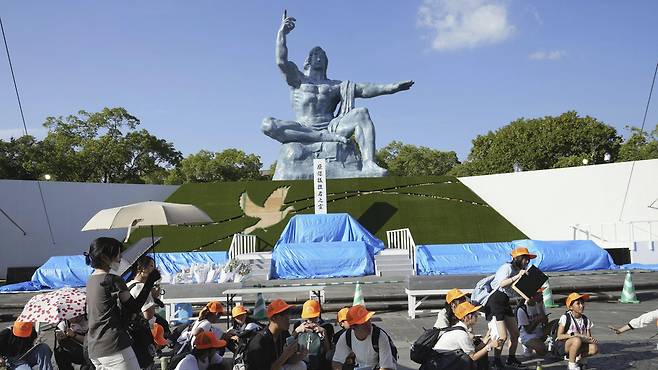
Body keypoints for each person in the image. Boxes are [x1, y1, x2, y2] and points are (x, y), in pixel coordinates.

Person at [262, 11, 414, 176]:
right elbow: (281, 61)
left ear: (327, 61)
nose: (319, 56)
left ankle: (369, 163)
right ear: (308, 60)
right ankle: (321, 137)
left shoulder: (336, 86)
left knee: (361, 113)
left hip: (331, 127)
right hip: (302, 129)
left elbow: (365, 89)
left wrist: (392, 87)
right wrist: (282, 33)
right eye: (315, 54)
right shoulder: (298, 79)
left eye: (322, 55)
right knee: (268, 125)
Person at [85, 237, 161, 370]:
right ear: (104, 257)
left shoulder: (91, 280)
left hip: (94, 347)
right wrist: (149, 283)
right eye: (117, 254)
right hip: (114, 345)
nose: (120, 257)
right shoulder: (113, 280)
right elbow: (135, 307)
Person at [480, 246, 535, 369]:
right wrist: (517, 276)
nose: (527, 261)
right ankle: (496, 361)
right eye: (525, 258)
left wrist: (527, 295)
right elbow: (502, 283)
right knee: (502, 336)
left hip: (505, 301)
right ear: (517, 258)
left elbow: (514, 291)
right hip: (495, 300)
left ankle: (511, 358)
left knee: (515, 334)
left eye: (528, 259)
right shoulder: (507, 267)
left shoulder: (520, 271)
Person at [432, 302, 500, 370]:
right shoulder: (461, 334)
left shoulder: (460, 329)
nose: (477, 316)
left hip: (442, 361)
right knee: (467, 360)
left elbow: (472, 350)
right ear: (467, 317)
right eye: (475, 314)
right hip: (440, 365)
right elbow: (473, 357)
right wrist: (490, 346)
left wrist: (485, 340)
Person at [244, 299, 307, 370]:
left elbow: (287, 361)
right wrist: (285, 355)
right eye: (284, 315)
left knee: (301, 365)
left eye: (288, 314)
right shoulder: (259, 341)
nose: (288, 318)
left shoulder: (283, 333)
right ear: (273, 318)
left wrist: (300, 355)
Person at [332, 305, 396, 370]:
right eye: (363, 323)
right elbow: (336, 362)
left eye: (368, 320)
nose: (368, 325)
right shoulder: (346, 337)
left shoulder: (380, 336)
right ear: (353, 327)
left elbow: (386, 367)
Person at [554, 293, 598, 370]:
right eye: (578, 303)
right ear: (571, 307)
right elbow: (559, 336)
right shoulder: (565, 317)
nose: (581, 305)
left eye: (582, 303)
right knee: (576, 340)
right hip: (563, 346)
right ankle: (571, 365)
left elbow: (588, 338)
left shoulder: (586, 320)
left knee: (594, 348)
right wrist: (575, 335)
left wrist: (590, 339)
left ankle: (578, 357)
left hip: (578, 344)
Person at [296, 300, 331, 370]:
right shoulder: (298, 325)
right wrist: (296, 331)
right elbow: (290, 346)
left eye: (313, 317)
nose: (310, 321)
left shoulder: (327, 326)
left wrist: (324, 333)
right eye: (308, 318)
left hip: (319, 363)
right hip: (300, 362)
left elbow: (328, 353)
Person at [516, 290, 548, 357]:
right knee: (542, 350)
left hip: (539, 330)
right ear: (532, 297)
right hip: (528, 335)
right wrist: (537, 320)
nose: (542, 295)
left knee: (556, 324)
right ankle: (527, 345)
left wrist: (541, 308)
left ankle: (549, 343)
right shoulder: (522, 309)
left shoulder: (539, 304)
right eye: (539, 294)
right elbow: (528, 330)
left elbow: (545, 322)